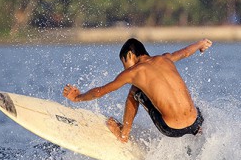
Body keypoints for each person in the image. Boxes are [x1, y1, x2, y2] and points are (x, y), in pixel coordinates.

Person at [63, 38, 212, 142]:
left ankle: (123, 134)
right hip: (197, 121)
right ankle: (198, 132)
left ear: (130, 55)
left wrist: (78, 97)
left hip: (171, 128)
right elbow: (185, 52)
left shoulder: (134, 72)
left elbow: (100, 91)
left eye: (124, 63)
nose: (124, 68)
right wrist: (200, 43)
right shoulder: (165, 58)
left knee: (135, 91)